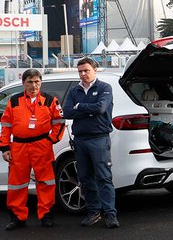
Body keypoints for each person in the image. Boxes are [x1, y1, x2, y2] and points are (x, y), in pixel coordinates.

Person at [1, 69, 66, 230]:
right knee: (17, 183)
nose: (33, 85)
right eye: (29, 82)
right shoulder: (14, 101)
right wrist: (4, 148)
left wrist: (51, 140)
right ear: (23, 83)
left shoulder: (50, 100)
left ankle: (46, 215)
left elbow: (59, 121)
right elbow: (6, 125)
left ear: (41, 82)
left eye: (37, 81)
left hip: (41, 146)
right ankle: (18, 217)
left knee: (45, 182)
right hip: (19, 147)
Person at [62, 57, 118, 228]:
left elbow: (101, 108)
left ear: (95, 70)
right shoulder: (74, 91)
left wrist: (79, 107)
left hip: (99, 139)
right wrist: (87, 109)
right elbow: (66, 112)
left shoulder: (104, 88)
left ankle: (110, 214)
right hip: (80, 140)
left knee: (104, 177)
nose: (83, 74)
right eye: (80, 71)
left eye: (86, 70)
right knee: (85, 178)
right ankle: (94, 212)